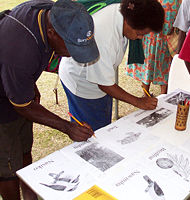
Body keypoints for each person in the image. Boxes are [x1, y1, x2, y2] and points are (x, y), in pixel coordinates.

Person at [0, 0, 99, 199]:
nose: (72, 55)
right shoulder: (19, 51)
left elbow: (23, 74)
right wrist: (67, 127)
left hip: (15, 81)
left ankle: (30, 192)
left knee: (24, 148)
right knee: (7, 167)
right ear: (52, 32)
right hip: (2, 106)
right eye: (70, 47)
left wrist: (30, 83)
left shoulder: (53, 11)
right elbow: (24, 106)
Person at [59, 0, 164, 131]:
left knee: (103, 125)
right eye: (139, 34)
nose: (140, 38)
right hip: (81, 83)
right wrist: (138, 101)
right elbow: (104, 84)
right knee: (91, 134)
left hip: (98, 80)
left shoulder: (127, 12)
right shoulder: (104, 37)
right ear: (127, 22)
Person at [126, 0, 180, 96]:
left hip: (150, 37)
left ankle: (147, 93)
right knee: (164, 67)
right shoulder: (176, 1)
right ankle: (163, 95)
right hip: (162, 38)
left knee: (148, 65)